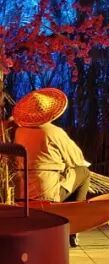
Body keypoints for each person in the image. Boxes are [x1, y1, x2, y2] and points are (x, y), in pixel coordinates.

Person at [12, 87, 92, 247]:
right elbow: (77, 159)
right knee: (84, 173)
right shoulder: (53, 132)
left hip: (21, 191)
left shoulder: (19, 132)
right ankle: (73, 230)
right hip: (46, 192)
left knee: (67, 175)